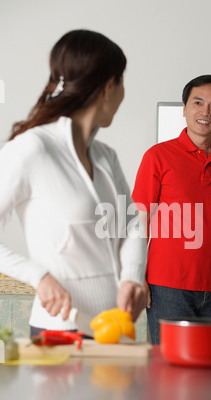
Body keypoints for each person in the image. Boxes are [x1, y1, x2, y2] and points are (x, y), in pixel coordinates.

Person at [0, 29, 147, 337]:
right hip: (60, 331)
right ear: (109, 87)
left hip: (114, 329)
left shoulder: (106, 156)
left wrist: (132, 277)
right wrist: (39, 277)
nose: (123, 94)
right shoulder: (32, 149)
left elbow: (133, 223)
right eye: (123, 82)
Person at [132, 75, 211, 344]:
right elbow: (140, 220)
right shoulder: (158, 156)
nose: (205, 112)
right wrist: (137, 275)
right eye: (198, 102)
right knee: (170, 374)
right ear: (184, 109)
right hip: (166, 287)